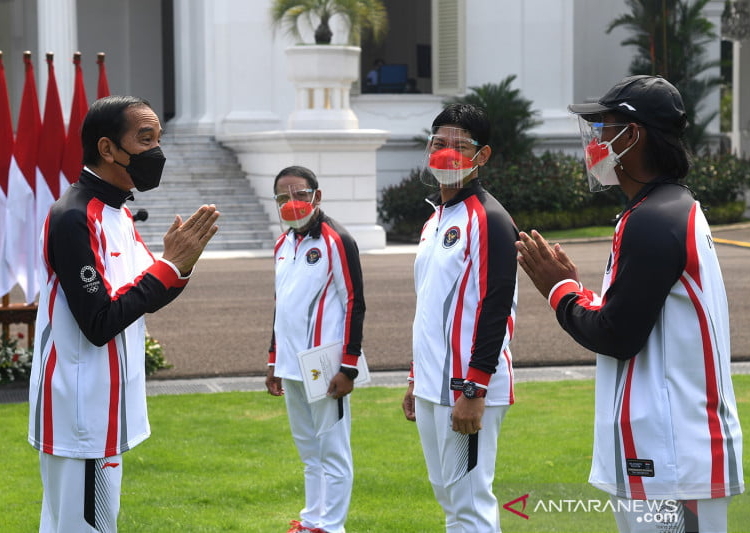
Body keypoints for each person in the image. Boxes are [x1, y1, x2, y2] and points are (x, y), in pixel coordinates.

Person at [515, 75, 744, 532]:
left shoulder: (655, 219)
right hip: (665, 455)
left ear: (633, 135)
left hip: (672, 458)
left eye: (605, 126)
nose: (595, 141)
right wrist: (578, 292)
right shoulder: (662, 210)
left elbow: (618, 335)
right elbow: (638, 316)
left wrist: (559, 291)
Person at [27, 95, 220, 532]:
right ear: (107, 148)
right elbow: (99, 323)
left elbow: (144, 295)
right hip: (81, 409)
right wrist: (168, 266)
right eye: (145, 138)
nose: (156, 151)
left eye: (158, 138)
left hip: (103, 408)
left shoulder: (118, 213)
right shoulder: (73, 216)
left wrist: (178, 266)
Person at [402, 103, 519, 532]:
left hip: (467, 386)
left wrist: (476, 387)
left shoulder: (489, 218)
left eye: (459, 145)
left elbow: (496, 306)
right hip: (433, 384)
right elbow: (430, 308)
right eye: (438, 143)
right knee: (450, 497)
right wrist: (416, 379)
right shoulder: (435, 219)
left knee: (469, 502)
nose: (445, 152)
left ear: (482, 156)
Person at [265, 166, 366, 533]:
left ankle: (331, 526)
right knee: (309, 451)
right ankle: (312, 522)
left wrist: (348, 367)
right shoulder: (283, 243)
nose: (291, 203)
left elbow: (354, 301)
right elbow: (282, 306)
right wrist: (273, 360)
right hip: (291, 364)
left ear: (316, 197)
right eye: (282, 198)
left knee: (333, 450)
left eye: (299, 195)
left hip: (324, 363)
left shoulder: (336, 240)